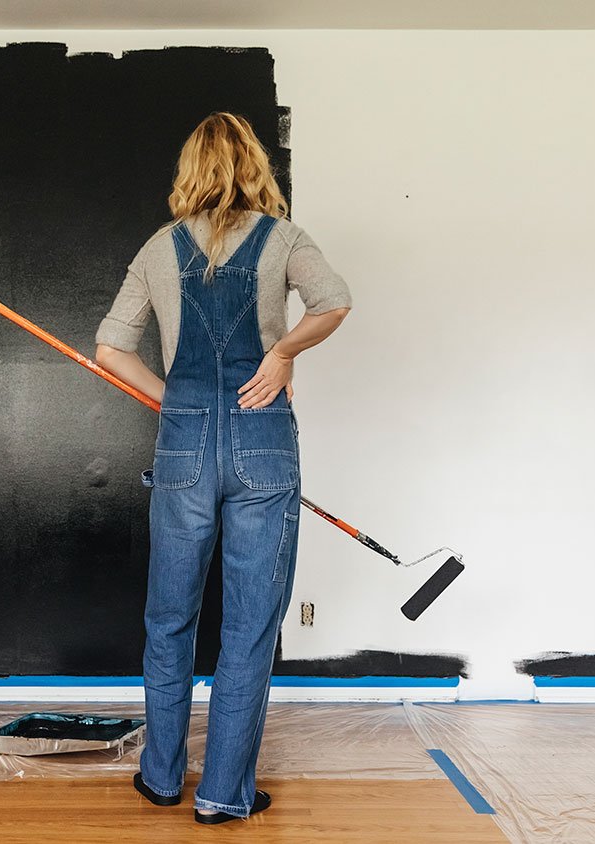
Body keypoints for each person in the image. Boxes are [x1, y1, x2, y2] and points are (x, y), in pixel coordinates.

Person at [95, 112, 352, 824]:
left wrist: (175, 400)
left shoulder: (157, 249)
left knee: (169, 620)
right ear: (254, 166)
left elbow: (110, 347)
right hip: (262, 441)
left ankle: (160, 779)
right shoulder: (284, 240)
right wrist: (281, 355)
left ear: (191, 170)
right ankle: (223, 794)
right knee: (249, 626)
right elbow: (334, 302)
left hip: (183, 446)